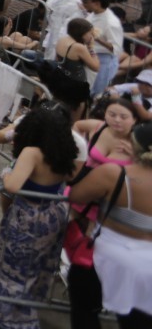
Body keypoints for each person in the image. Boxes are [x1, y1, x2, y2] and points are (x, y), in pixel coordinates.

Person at [0, 105, 80, 329]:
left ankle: (8, 317)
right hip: (54, 214)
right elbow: (72, 179)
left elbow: (13, 185)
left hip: (27, 215)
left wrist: (6, 173)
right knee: (37, 268)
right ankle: (22, 312)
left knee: (13, 266)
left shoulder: (32, 152)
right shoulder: (66, 151)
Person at [68, 121, 152, 329]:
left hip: (106, 257)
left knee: (84, 311)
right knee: (138, 322)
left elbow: (76, 195)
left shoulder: (115, 173)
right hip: (148, 264)